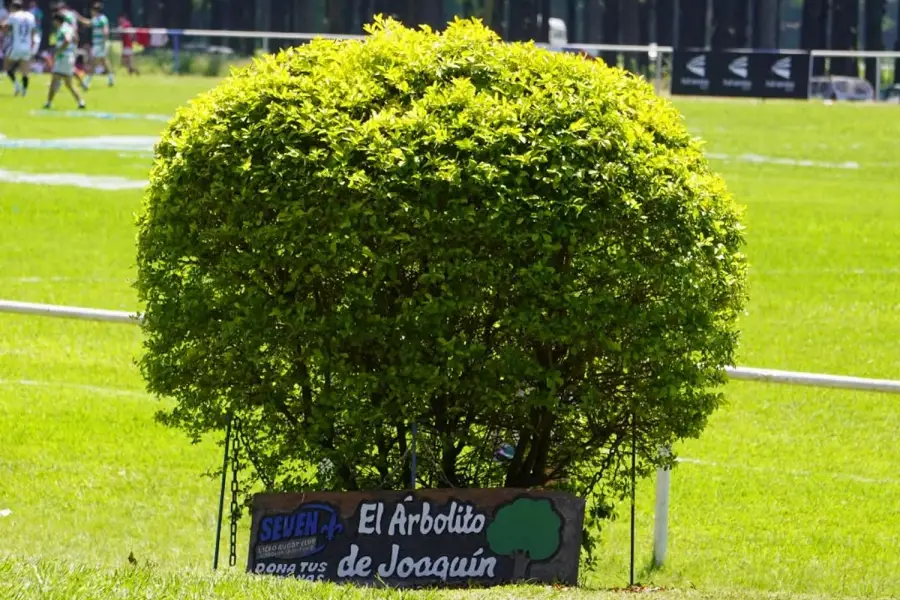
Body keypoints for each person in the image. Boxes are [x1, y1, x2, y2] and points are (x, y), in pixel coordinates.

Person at [44, 11, 84, 109]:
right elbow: (76, 39)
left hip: (63, 58)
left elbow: (67, 40)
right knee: (68, 83)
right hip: (69, 57)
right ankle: (81, 102)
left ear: (57, 21)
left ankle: (48, 103)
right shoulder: (69, 27)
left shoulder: (63, 29)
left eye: (54, 21)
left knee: (55, 81)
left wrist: (59, 51)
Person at [3, 0, 36, 96]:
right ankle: (24, 91)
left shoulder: (13, 15)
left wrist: (6, 31)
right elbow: (33, 32)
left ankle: (16, 85)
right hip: (27, 46)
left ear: (13, 7)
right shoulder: (30, 16)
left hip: (16, 45)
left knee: (6, 66)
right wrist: (32, 44)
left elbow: (5, 27)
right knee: (25, 71)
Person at [83, 1, 112, 88]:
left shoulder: (102, 19)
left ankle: (86, 82)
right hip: (97, 44)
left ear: (95, 10)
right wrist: (78, 17)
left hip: (100, 44)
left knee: (93, 62)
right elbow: (88, 23)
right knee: (104, 61)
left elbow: (106, 31)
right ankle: (111, 79)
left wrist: (104, 42)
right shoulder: (95, 19)